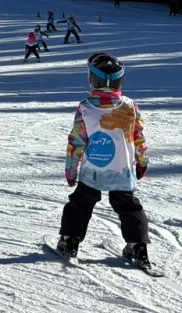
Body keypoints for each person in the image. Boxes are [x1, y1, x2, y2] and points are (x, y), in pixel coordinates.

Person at [54, 52, 152, 270]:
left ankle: (70, 241)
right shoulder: (130, 106)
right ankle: (137, 245)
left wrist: (71, 170)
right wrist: (142, 161)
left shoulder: (86, 107)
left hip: (94, 169)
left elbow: (76, 142)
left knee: (80, 203)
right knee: (128, 206)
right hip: (122, 169)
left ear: (92, 79)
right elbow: (139, 137)